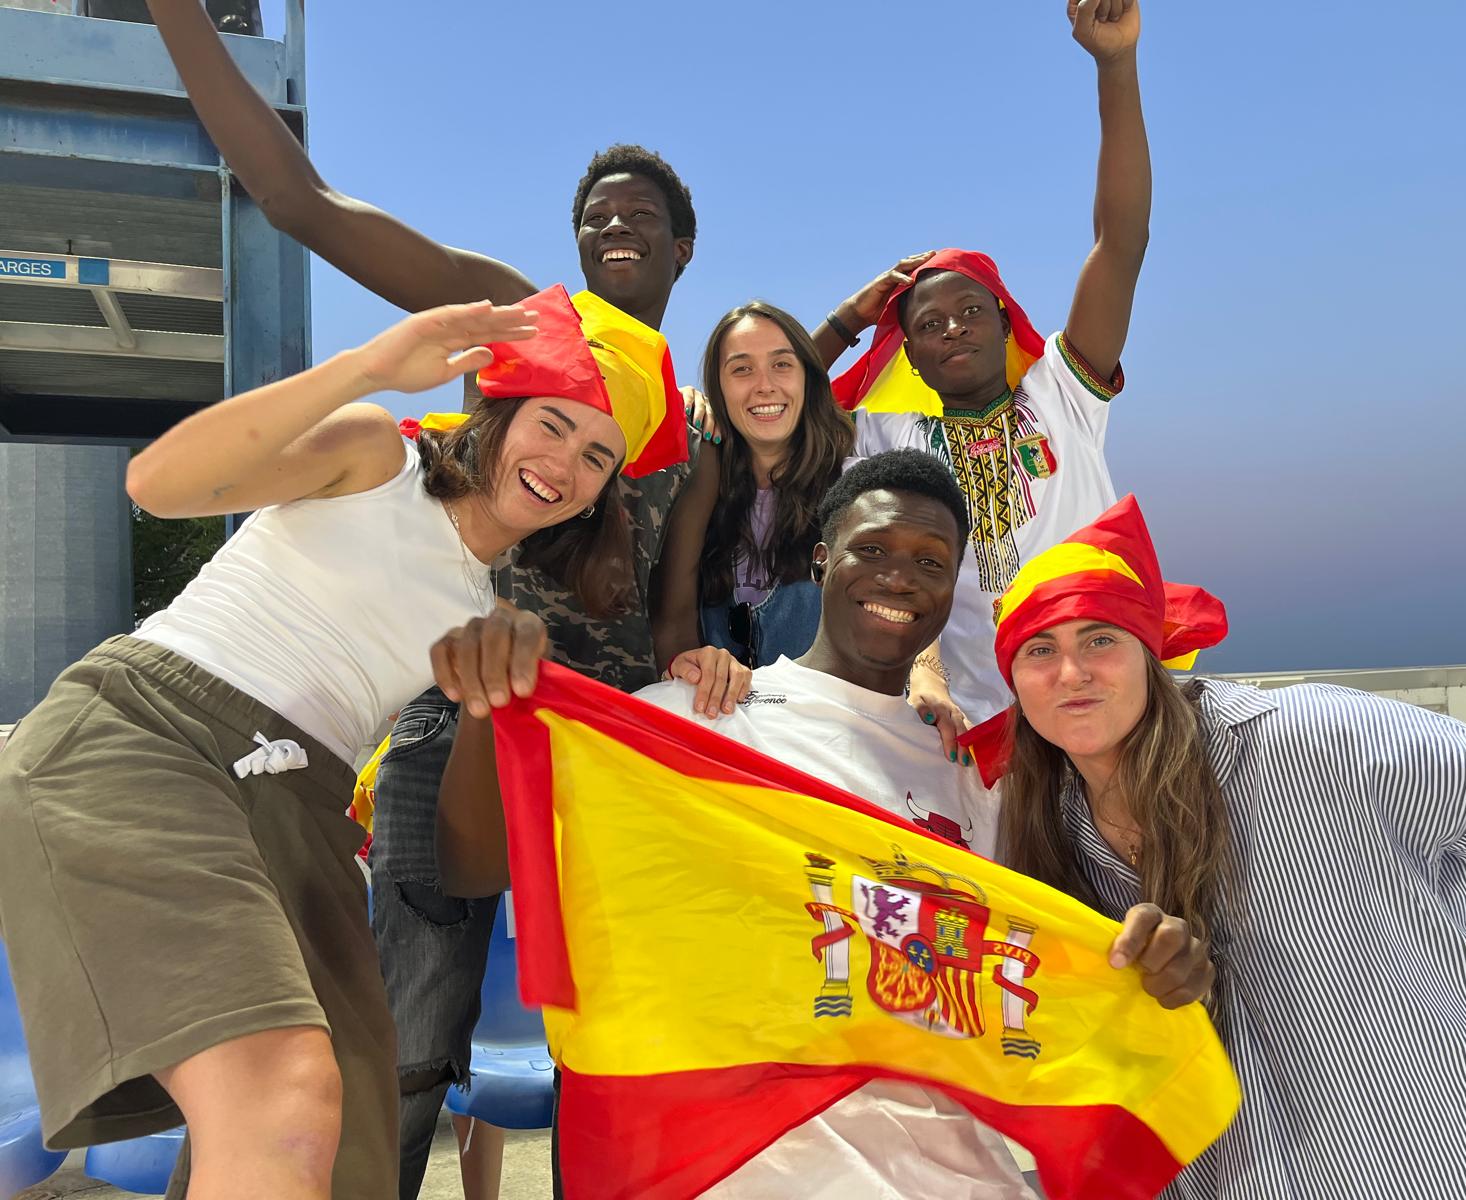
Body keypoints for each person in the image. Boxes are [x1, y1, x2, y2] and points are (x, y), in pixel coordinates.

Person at [142, 8, 746, 1191]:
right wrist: (178, 14)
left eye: (642, 216)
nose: (614, 225)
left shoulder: (702, 430)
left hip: (606, 755)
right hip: (448, 718)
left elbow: (671, 621)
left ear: (685, 246)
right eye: (596, 214)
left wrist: (701, 666)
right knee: (404, 1043)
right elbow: (302, 204)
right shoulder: (522, 330)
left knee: (620, 1058)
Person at [0, 285, 685, 1200]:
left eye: (598, 456)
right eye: (553, 425)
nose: (566, 464)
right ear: (498, 410)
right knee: (282, 1099)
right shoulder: (377, 455)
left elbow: (470, 868)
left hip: (301, 809)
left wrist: (490, 703)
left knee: (353, 1138)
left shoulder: (487, 612)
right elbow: (158, 486)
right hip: (150, 734)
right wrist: (365, 367)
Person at [429, 450, 1214, 1199]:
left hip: (962, 1175)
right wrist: (483, 708)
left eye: (931, 562)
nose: (899, 577)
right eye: (871, 549)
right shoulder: (698, 720)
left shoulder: (975, 777)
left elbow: (1053, 963)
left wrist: (1153, 966)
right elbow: (475, 869)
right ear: (819, 562)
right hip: (748, 1171)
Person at [983, 493, 1466, 1198]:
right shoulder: (1052, 838)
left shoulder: (1315, 735)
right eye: (1040, 650)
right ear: (1015, 683)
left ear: (1149, 653)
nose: (1071, 673)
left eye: (1100, 640)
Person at [813, 0, 1150, 744]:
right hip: (972, 724)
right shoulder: (888, 437)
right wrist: (849, 318)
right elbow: (779, 404)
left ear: (1005, 320)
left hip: (1105, 698)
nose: (952, 329)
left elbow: (1121, 241)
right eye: (926, 326)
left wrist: (1114, 64)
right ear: (910, 354)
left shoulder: (1063, 388)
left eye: (970, 311)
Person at [652, 302, 856, 673]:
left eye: (782, 365)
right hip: (716, 717)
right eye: (742, 369)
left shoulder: (854, 485)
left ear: (808, 377)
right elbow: (671, 620)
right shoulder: (692, 483)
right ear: (718, 389)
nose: (764, 386)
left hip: (825, 721)